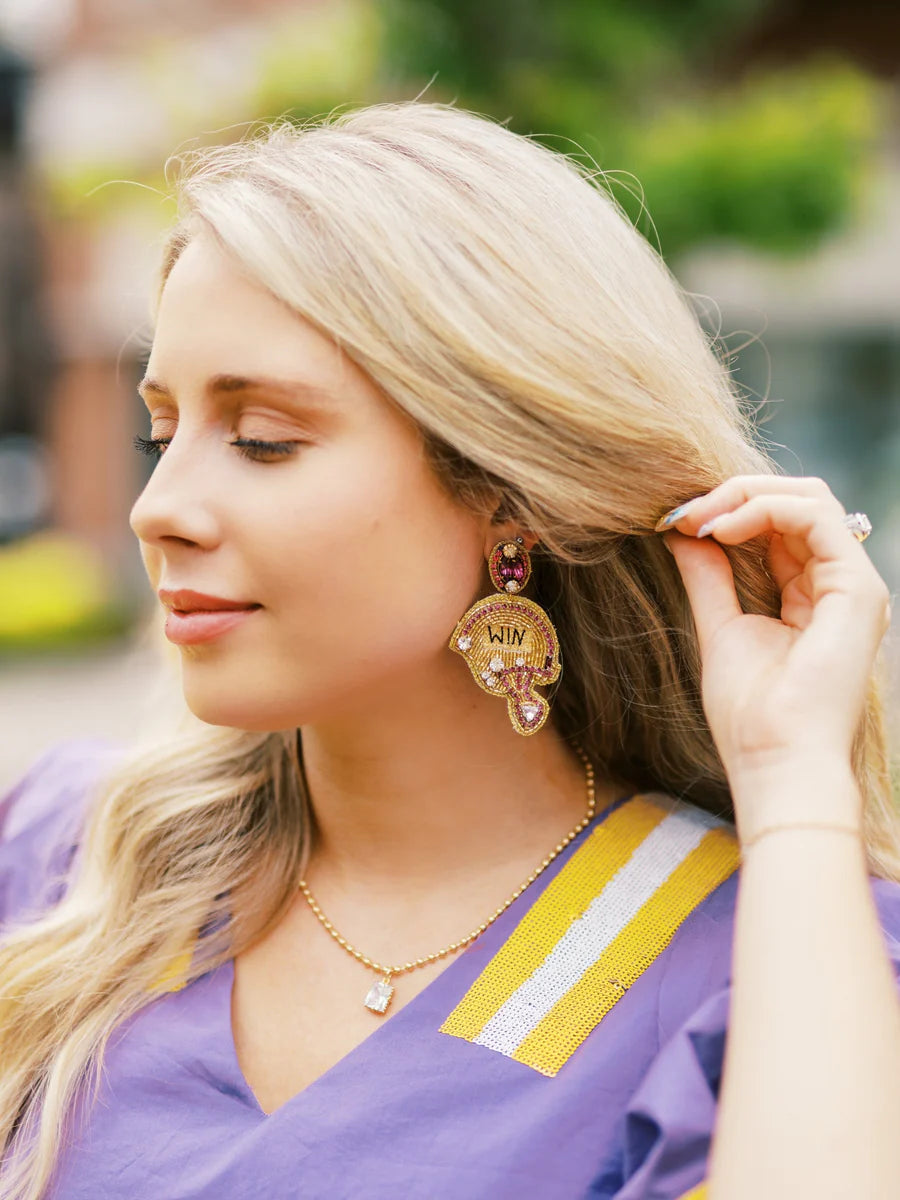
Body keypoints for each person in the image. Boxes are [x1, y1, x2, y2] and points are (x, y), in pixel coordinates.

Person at [1, 99, 899, 1200]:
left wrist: (794, 781)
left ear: (506, 490)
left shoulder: (779, 953)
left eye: (263, 441)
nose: (160, 506)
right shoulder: (68, 860)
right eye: (161, 431)